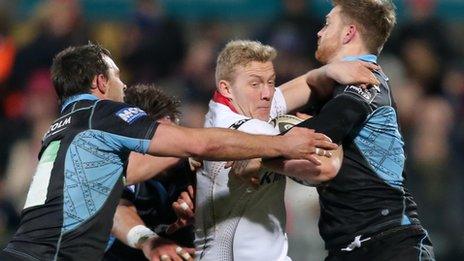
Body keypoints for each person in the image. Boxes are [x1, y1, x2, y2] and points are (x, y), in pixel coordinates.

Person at [0, 43, 335, 261]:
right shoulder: (102, 114)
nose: (124, 86)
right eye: (117, 77)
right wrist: (280, 144)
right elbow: (200, 143)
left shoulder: (61, 129)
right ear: (101, 82)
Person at [194, 39, 384, 260]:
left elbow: (302, 85)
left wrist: (330, 70)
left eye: (271, 82)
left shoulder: (243, 104)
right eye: (255, 84)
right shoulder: (242, 129)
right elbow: (326, 166)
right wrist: (328, 129)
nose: (266, 93)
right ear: (226, 88)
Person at [286, 1, 435, 260]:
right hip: (348, 248)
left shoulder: (365, 82)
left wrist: (251, 150)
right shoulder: (333, 89)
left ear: (349, 32)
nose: (319, 32)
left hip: (390, 245)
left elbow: (319, 133)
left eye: (327, 23)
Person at [104, 84, 195, 261]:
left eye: (169, 136)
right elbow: (117, 213)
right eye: (154, 141)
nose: (166, 147)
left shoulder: (197, 167)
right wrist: (150, 241)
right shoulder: (114, 167)